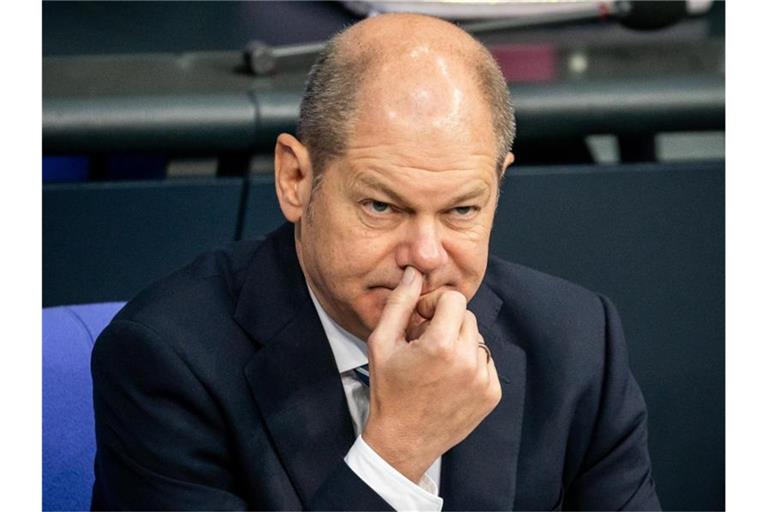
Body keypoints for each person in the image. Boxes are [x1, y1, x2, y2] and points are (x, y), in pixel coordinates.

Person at [90, 13, 660, 511]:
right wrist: (397, 452)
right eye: (382, 206)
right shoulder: (167, 361)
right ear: (296, 178)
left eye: (462, 209)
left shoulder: (578, 342)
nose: (427, 256)